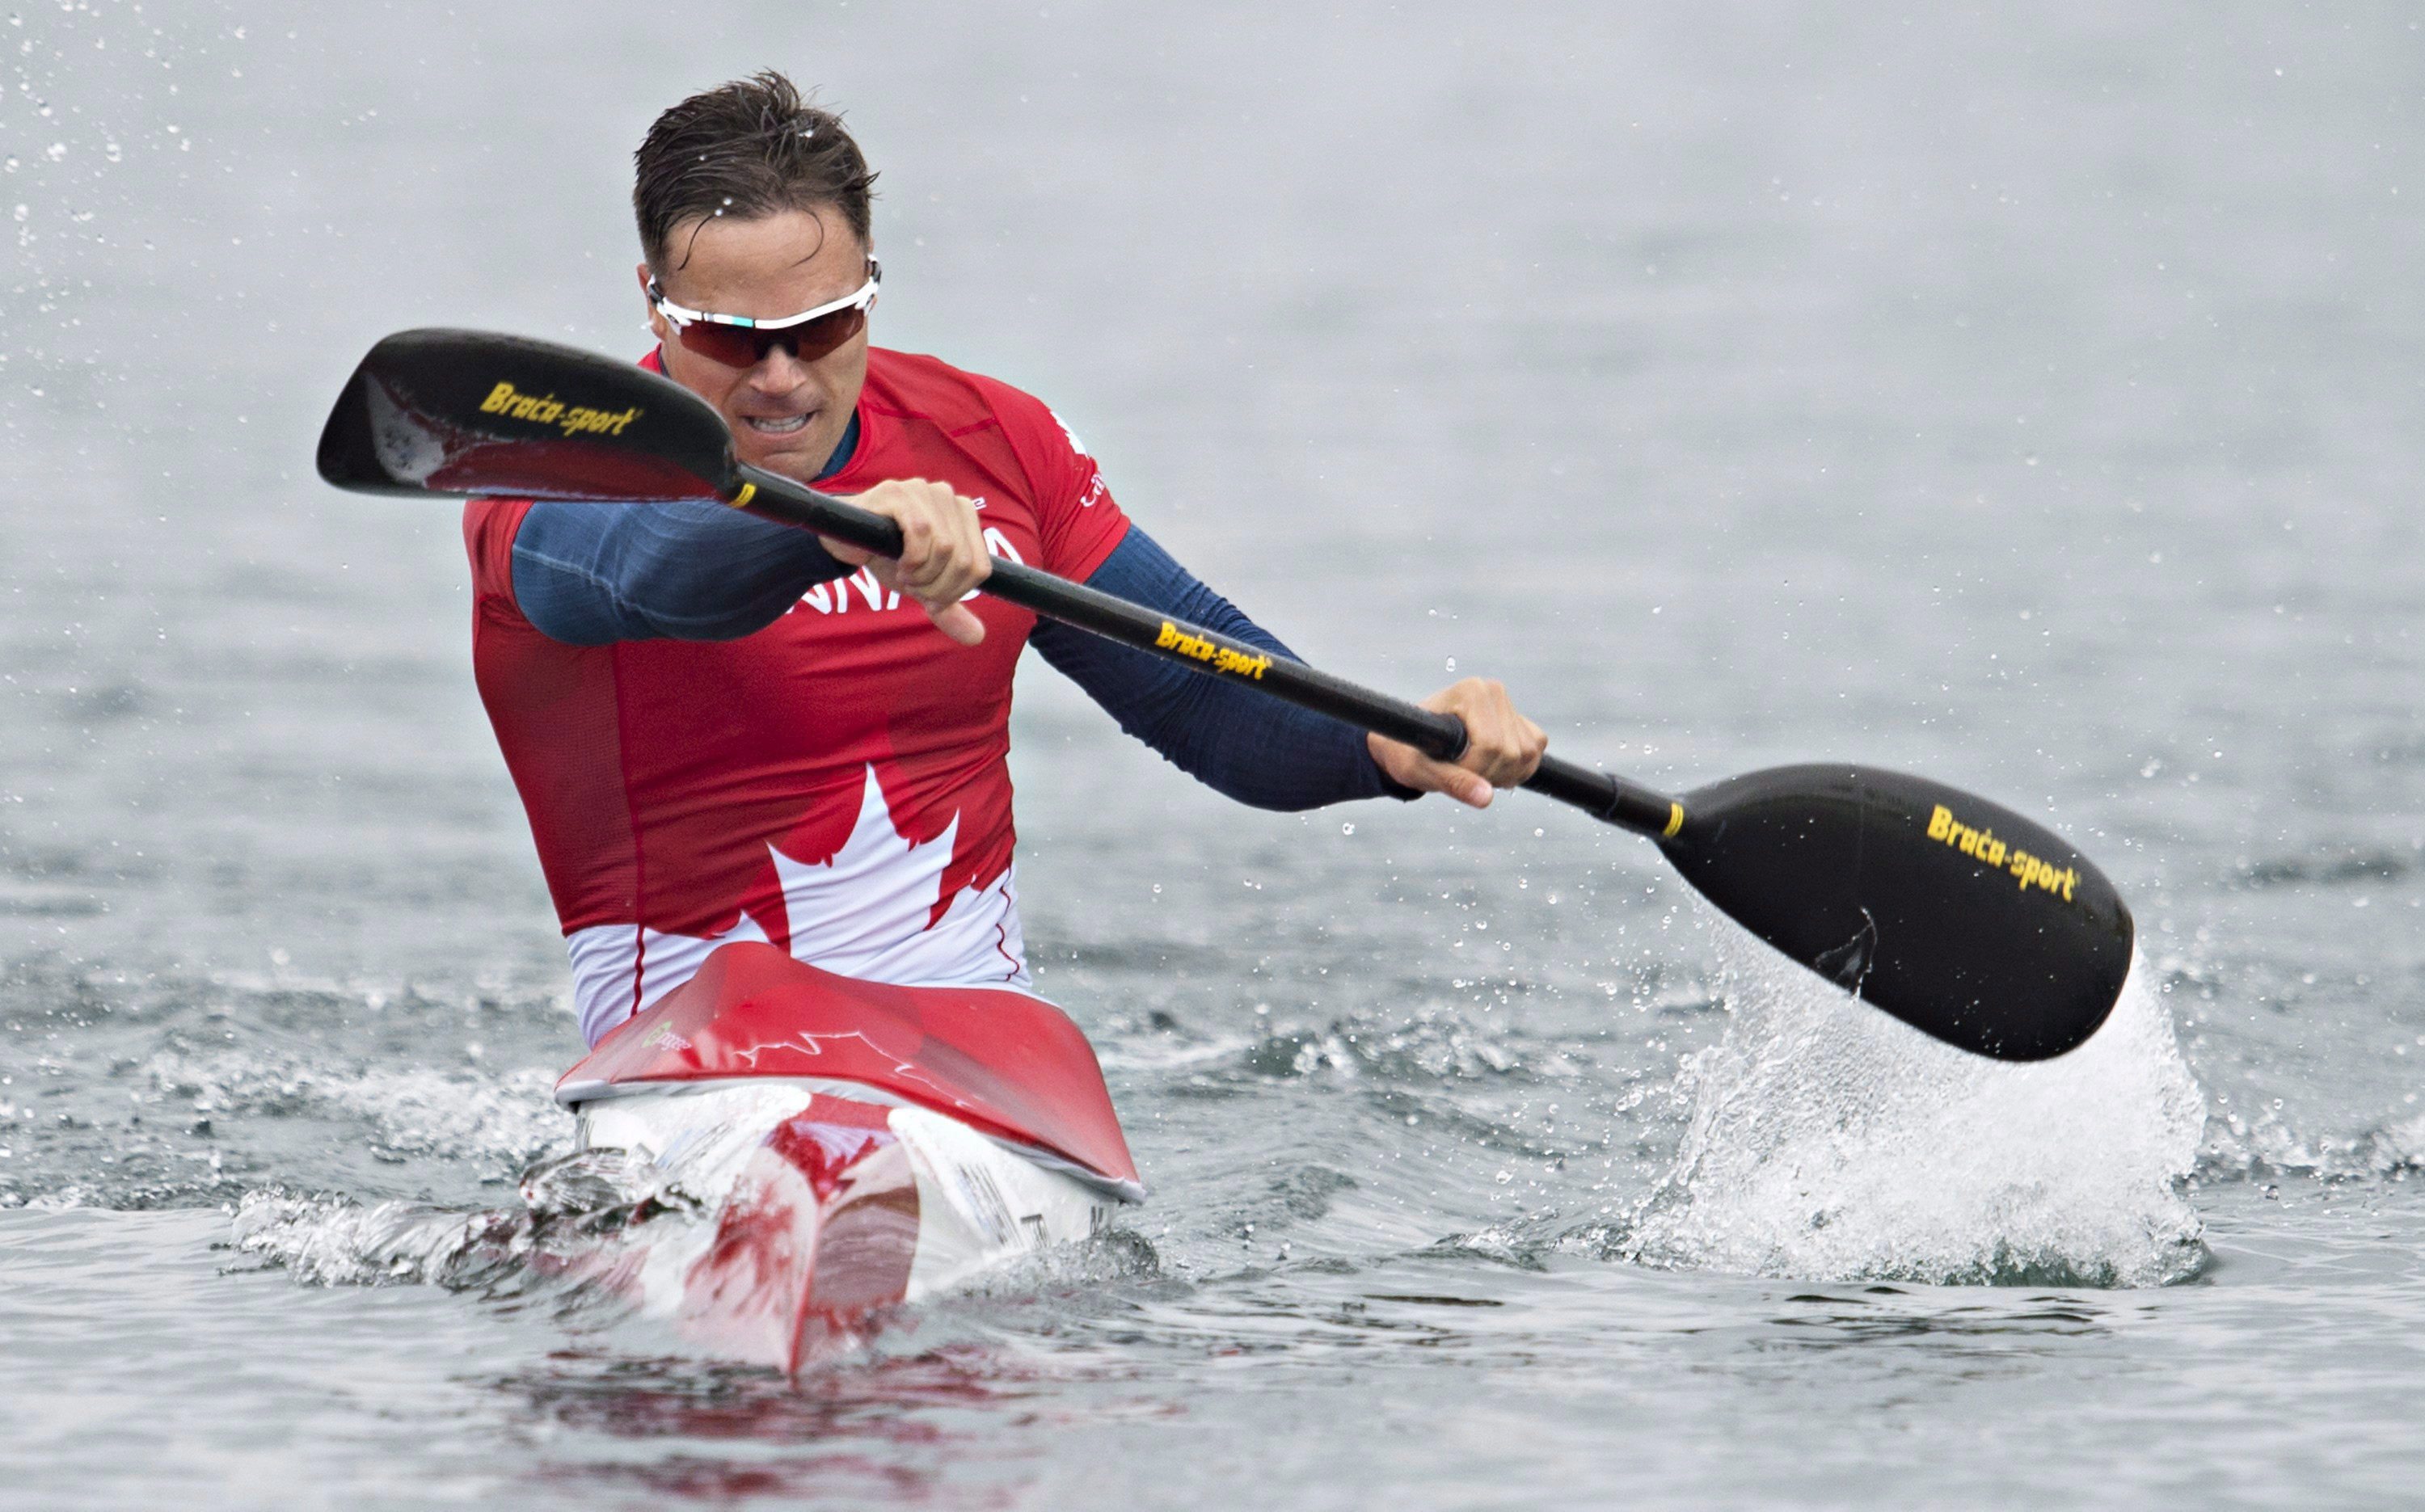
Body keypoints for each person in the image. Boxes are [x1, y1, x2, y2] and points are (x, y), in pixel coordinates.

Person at [462, 71, 1546, 1047]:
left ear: (872, 286)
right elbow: (644, 574)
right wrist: (832, 524)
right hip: (692, 1065)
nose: (783, 377)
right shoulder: (560, 462)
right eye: (734, 337)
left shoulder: (993, 440)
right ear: (653, 300)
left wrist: (1388, 744)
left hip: (978, 1059)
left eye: (827, 327)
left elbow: (1204, 700)